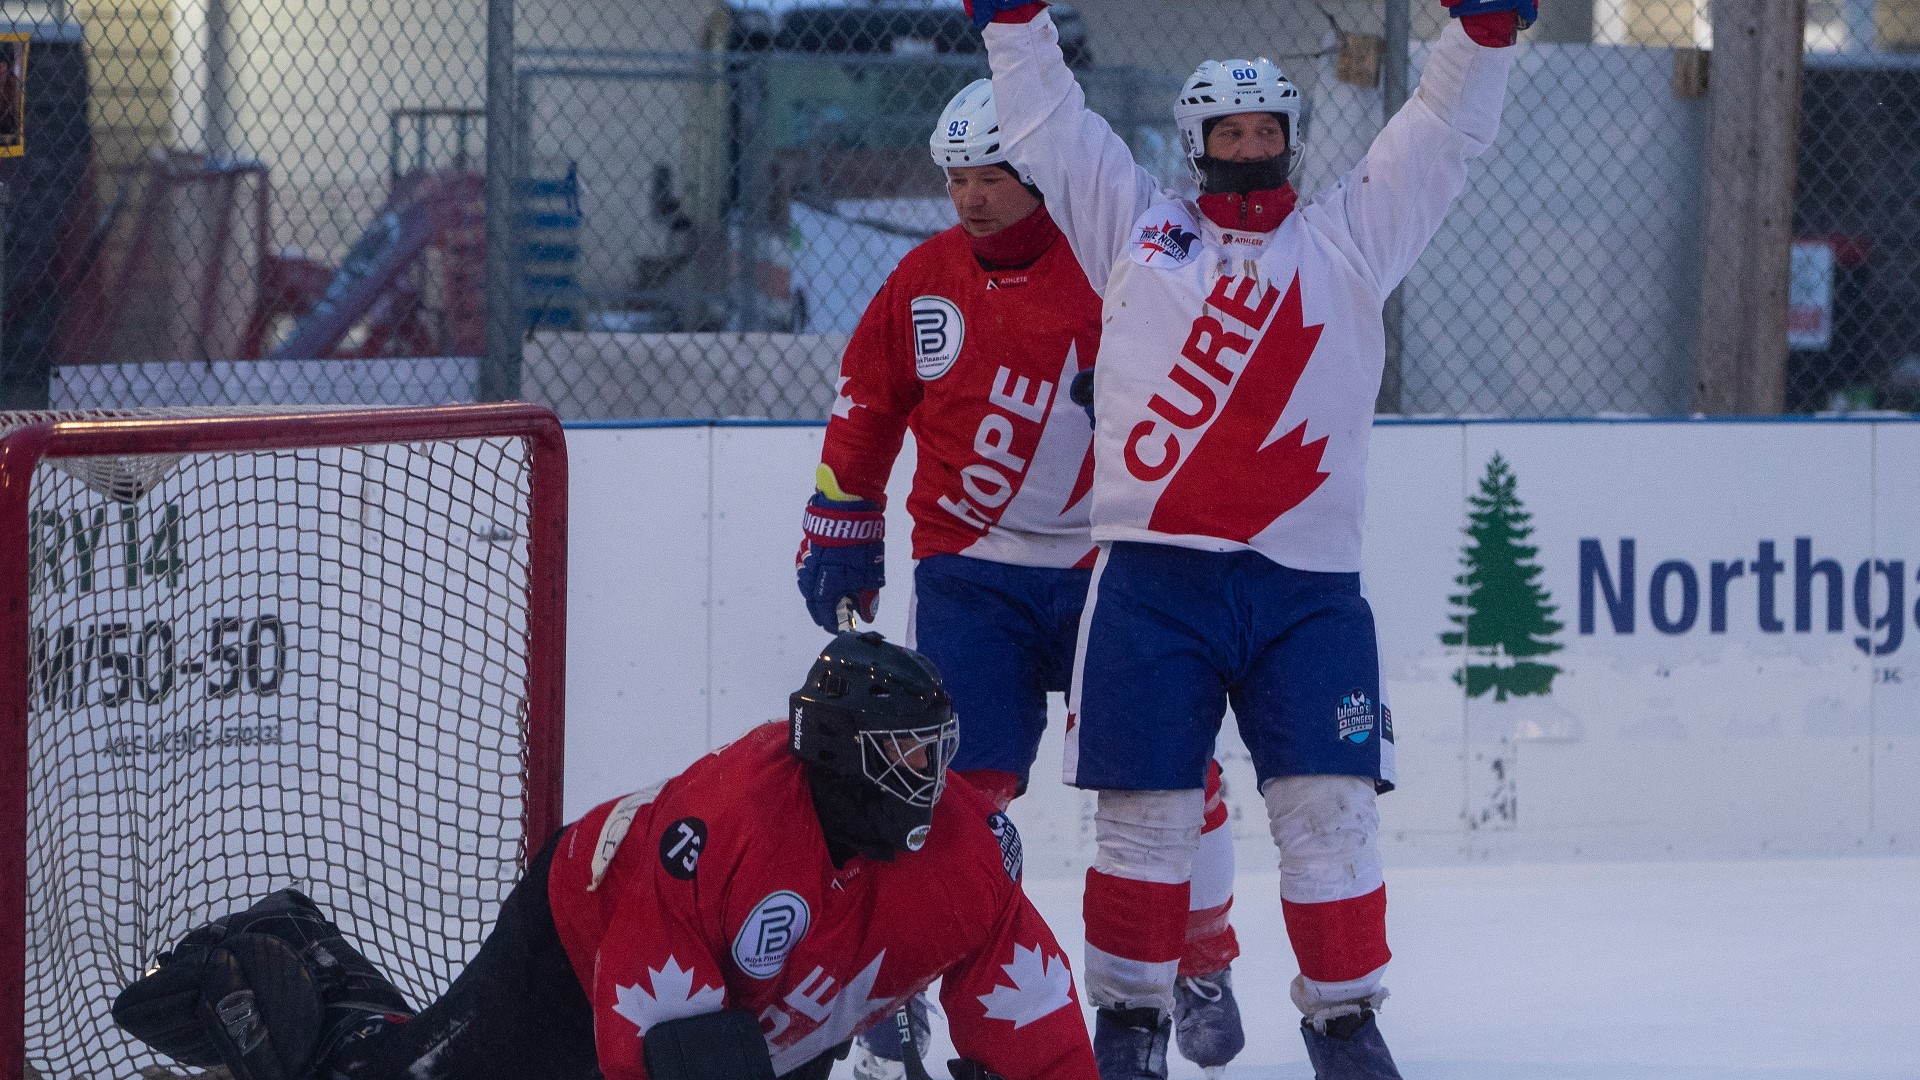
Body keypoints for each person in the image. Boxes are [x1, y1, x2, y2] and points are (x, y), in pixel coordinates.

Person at [963, 0, 1529, 1076]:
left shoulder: (1350, 233)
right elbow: (1048, 123)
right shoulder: (1132, 225)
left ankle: (1345, 1021)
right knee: (1147, 820)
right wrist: (1014, 23)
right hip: (1153, 585)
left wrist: (1483, 35)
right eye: (1230, 136)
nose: (1252, 150)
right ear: (1196, 145)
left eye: (1268, 131)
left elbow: (1439, 136)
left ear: (1292, 137)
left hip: (1306, 591)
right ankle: (1129, 1024)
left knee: (1331, 812)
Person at [793, 79, 1245, 1079]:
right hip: (972, 574)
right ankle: (898, 995)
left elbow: (1223, 384)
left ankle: (1202, 961)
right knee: (947, 794)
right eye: (956, 178)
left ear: (1040, 174)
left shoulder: (1123, 262)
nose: (970, 197)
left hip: (1112, 565)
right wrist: (841, 525)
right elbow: (867, 403)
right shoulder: (922, 282)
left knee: (1169, 778)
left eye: (991, 176)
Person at [111, 632, 1098, 1080]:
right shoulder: (721, 831)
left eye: (938, 754)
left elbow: (1043, 1040)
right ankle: (281, 966)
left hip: (769, 1017)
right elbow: (659, 1051)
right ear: (841, 755)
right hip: (579, 942)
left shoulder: (965, 862)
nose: (931, 781)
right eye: (905, 756)